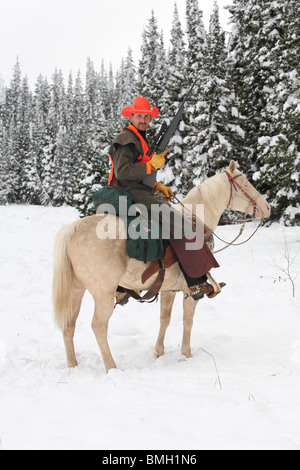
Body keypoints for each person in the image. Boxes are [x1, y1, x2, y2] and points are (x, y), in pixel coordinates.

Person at [108, 96, 223, 301]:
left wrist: (156, 185)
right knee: (181, 225)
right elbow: (123, 172)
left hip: (141, 190)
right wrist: (151, 166)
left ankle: (121, 286)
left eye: (147, 116)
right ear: (131, 116)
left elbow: (137, 171)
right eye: (139, 116)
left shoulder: (139, 137)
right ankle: (196, 282)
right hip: (132, 193)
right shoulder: (126, 140)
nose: (143, 120)